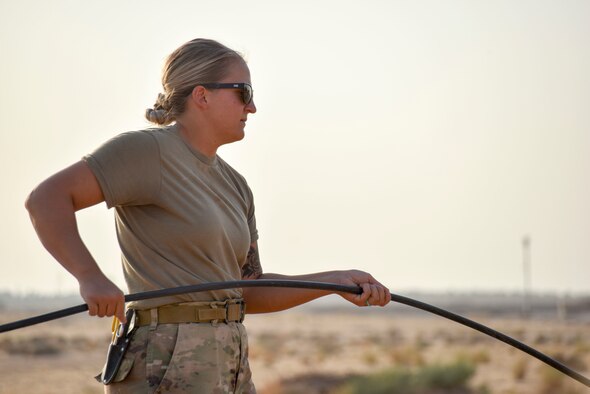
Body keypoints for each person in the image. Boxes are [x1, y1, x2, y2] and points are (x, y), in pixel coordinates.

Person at [25, 38, 391, 393]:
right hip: (161, 362)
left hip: (230, 362)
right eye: (243, 93)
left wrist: (336, 280)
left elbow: (249, 289)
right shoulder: (145, 151)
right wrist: (90, 277)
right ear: (202, 96)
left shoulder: (237, 185)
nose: (252, 108)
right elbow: (46, 199)